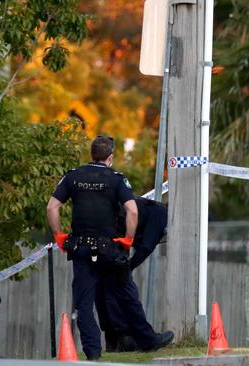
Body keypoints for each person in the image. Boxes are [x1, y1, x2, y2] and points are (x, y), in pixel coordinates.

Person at [46, 136, 174, 360]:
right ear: (110, 157)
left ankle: (93, 353)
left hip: (81, 249)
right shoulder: (116, 179)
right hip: (110, 249)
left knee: (84, 303)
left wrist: (59, 236)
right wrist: (128, 240)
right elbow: (132, 211)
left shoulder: (73, 176)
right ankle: (148, 340)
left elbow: (52, 207)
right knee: (126, 294)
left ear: (91, 154)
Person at [95, 197, 167, 352]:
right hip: (113, 240)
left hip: (102, 237)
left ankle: (113, 340)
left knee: (105, 289)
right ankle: (132, 338)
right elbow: (146, 247)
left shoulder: (145, 207)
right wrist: (130, 265)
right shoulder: (161, 214)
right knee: (126, 292)